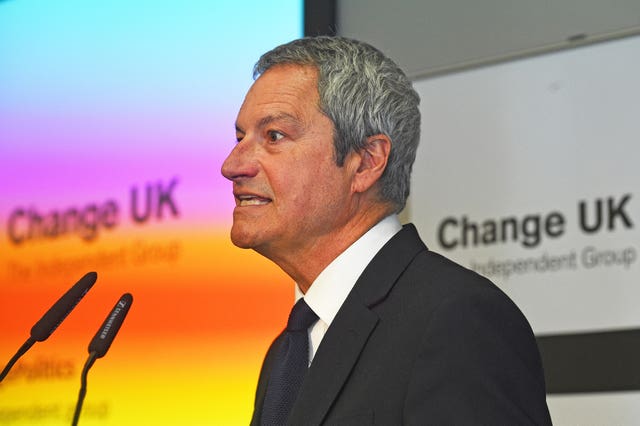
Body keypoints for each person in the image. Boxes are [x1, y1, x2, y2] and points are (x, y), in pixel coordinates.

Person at [221, 36, 551, 425]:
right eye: (240, 137)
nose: (232, 165)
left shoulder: (454, 321)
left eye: (274, 136)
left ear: (365, 163)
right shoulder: (288, 350)